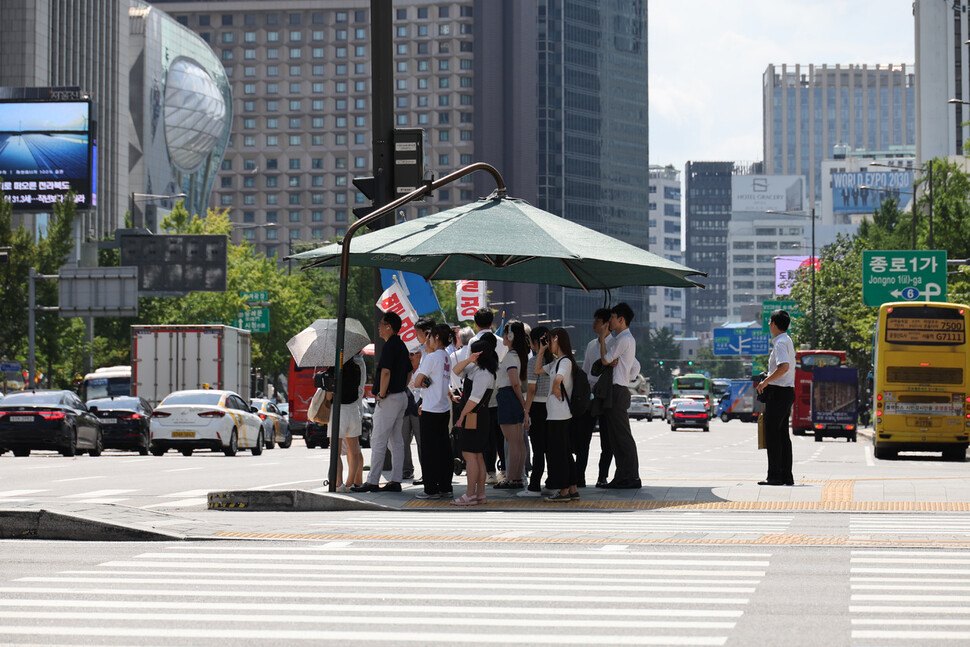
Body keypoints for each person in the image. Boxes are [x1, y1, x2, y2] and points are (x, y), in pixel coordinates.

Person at [352, 311, 411, 493]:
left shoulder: (390, 346)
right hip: (401, 395)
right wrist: (401, 386)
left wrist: (382, 394)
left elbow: (386, 372)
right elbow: (410, 371)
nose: (378, 327)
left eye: (381, 323)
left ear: (388, 327)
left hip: (390, 397)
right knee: (396, 441)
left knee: (378, 440)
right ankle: (395, 480)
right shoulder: (401, 345)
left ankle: (372, 481)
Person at [451, 334, 498, 506]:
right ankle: (479, 494)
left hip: (474, 416)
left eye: (472, 352)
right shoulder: (477, 369)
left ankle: (470, 494)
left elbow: (474, 399)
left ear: (479, 354)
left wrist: (462, 416)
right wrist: (470, 360)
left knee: (470, 455)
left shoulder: (483, 373)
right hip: (478, 416)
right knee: (477, 456)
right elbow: (456, 371)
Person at [598, 302, 641, 489]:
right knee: (616, 437)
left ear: (621, 319)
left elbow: (606, 359)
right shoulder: (623, 339)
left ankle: (631, 476)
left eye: (613, 318)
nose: (610, 321)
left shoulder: (624, 339)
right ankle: (622, 475)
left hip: (618, 390)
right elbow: (635, 367)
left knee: (622, 436)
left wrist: (601, 339)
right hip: (617, 389)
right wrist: (627, 376)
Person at [412, 323, 456, 499]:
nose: (427, 340)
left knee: (429, 451)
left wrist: (422, 380)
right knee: (444, 450)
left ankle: (431, 488)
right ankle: (445, 486)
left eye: (430, 336)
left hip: (430, 409)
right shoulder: (446, 356)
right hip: (443, 408)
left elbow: (416, 382)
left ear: (436, 337)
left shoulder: (432, 357)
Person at [535, 328, 579, 502]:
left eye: (549, 340)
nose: (548, 343)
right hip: (555, 414)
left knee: (558, 454)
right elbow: (538, 370)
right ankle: (573, 488)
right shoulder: (557, 362)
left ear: (556, 339)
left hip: (560, 414)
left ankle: (563, 491)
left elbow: (559, 379)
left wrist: (555, 389)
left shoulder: (565, 362)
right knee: (565, 453)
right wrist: (541, 351)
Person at [756, 309, 796, 486]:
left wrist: (765, 382)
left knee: (773, 435)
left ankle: (774, 476)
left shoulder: (780, 342)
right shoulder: (786, 340)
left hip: (779, 393)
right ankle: (786, 475)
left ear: (774, 324)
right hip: (786, 392)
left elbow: (784, 367)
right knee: (782, 436)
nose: (769, 324)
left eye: (770, 321)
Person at [519, 326, 554, 498]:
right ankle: (553, 482)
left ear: (533, 342)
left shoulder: (534, 362)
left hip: (538, 407)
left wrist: (526, 411)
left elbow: (531, 390)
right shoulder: (555, 360)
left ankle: (534, 486)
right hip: (553, 407)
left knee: (538, 449)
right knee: (551, 448)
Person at [494, 320, 529, 490]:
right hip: (514, 398)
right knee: (518, 441)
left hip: (508, 397)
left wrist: (522, 403)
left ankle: (513, 478)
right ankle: (517, 478)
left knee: (513, 441)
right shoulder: (519, 355)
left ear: (510, 335)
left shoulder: (510, 356)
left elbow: (514, 382)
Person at [582, 308, 614, 487]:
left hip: (607, 395)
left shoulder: (615, 344)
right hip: (591, 395)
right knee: (584, 436)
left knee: (606, 439)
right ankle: (580, 475)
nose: (594, 324)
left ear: (606, 324)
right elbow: (586, 371)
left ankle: (603, 476)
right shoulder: (590, 345)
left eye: (597, 321)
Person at [328, 354, 366, 492]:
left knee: (335, 452)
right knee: (354, 451)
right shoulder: (357, 368)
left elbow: (328, 396)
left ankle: (339, 483)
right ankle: (350, 484)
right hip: (353, 410)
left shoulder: (333, 369)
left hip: (338, 410)